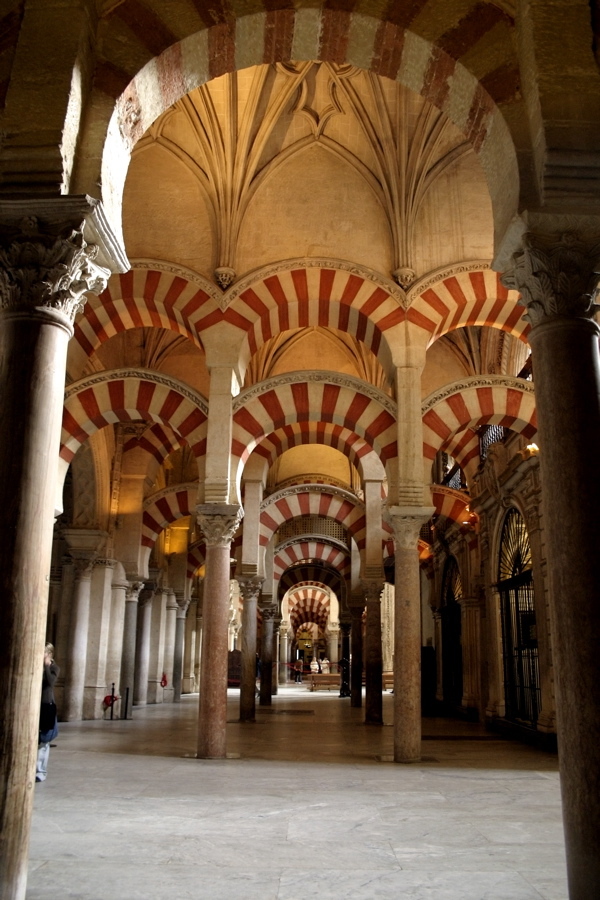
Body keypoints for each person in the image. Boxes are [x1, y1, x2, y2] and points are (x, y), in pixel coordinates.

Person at [37, 643, 59, 783]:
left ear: (49, 654)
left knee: (44, 740)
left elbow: (50, 682)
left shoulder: (54, 668)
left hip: (47, 705)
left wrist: (46, 666)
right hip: (35, 705)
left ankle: (40, 772)